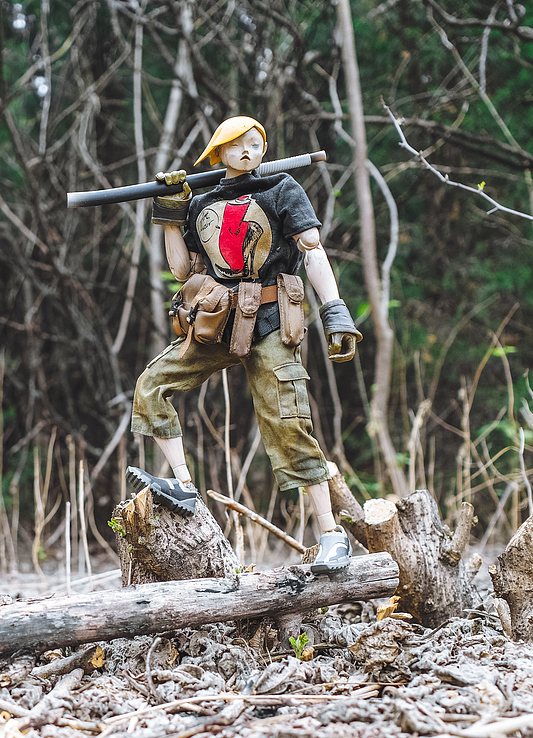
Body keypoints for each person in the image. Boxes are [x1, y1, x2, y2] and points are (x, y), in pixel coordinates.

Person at [126, 116, 361, 573]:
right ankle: (183, 486)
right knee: (152, 384)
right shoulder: (203, 201)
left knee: (288, 421)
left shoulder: (281, 189)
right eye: (238, 145)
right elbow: (182, 270)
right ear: (218, 155)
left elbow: (312, 251)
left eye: (256, 143)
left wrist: (335, 309)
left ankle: (331, 535)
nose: (249, 151)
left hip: (272, 319)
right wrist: (171, 214)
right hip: (219, 320)